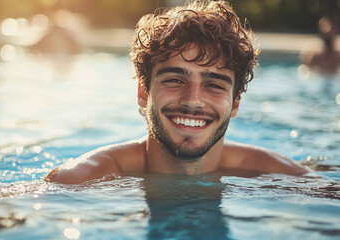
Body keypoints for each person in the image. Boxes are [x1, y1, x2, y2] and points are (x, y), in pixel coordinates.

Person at [44, 0, 309, 184]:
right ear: (144, 93)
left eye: (214, 85)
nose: (193, 100)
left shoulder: (281, 177)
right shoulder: (82, 180)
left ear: (236, 103)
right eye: (174, 80)